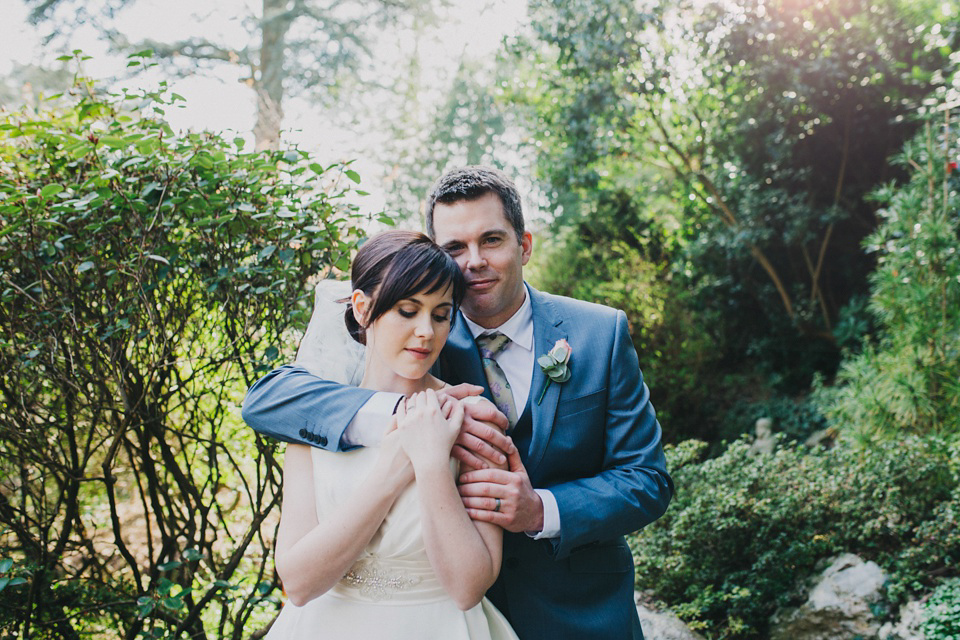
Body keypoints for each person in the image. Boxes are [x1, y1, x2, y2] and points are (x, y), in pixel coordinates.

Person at [244, 166, 674, 639]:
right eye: (454, 248)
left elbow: (647, 479)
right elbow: (269, 400)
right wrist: (405, 417)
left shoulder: (599, 333)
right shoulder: (414, 342)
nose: (473, 261)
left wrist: (540, 510)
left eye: (491, 240)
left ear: (524, 244)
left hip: (576, 611)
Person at [264, 230, 518, 639]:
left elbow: (469, 588)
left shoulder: (471, 421)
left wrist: (433, 465)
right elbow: (298, 583)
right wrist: (395, 468)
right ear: (363, 309)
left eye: (440, 315)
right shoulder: (312, 420)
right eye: (407, 310)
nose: (426, 332)